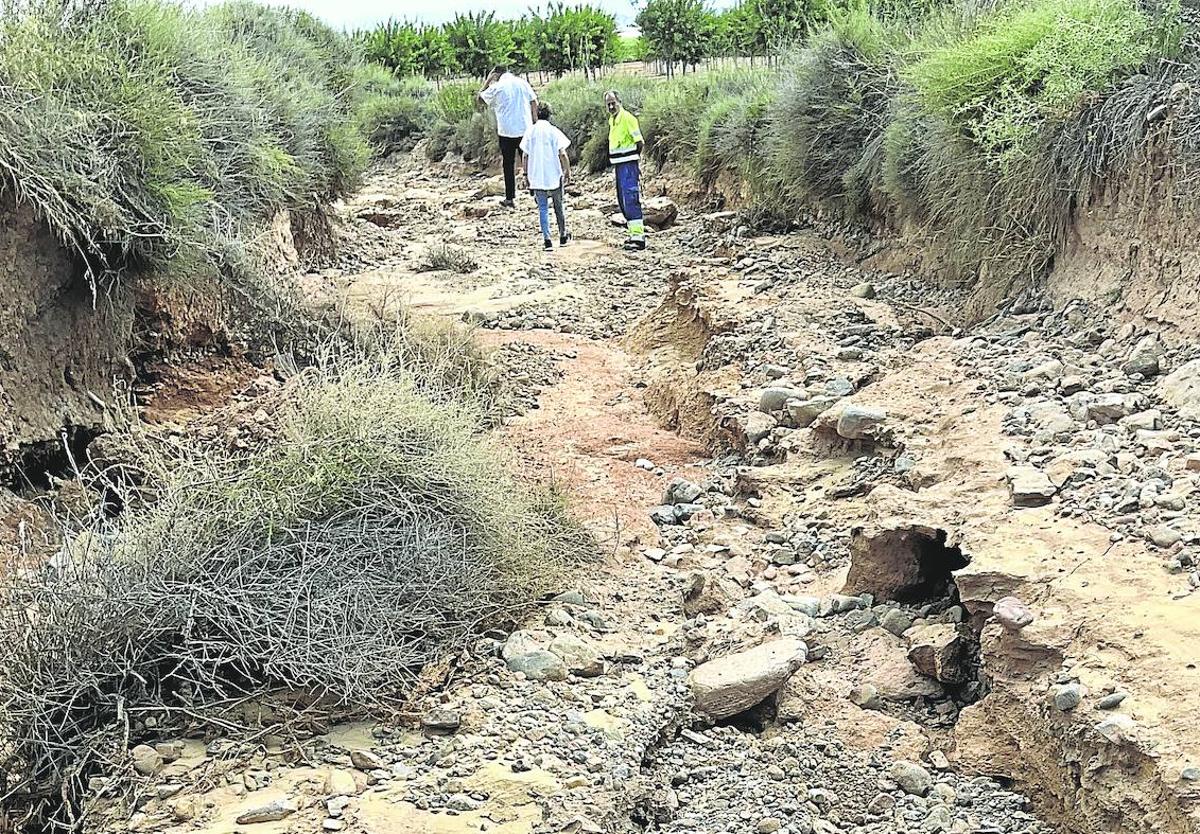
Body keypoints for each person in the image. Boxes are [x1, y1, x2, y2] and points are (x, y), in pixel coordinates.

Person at [477, 65, 538, 208]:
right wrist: (535, 121)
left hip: (507, 131)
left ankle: (510, 198)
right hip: (525, 128)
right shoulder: (522, 82)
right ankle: (535, 192)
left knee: (508, 164)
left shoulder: (498, 86)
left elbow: (480, 99)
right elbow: (534, 101)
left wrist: (487, 81)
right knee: (530, 161)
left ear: (496, 75)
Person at [520, 102, 572, 250]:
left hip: (536, 175)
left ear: (537, 114)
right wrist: (567, 171)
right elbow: (562, 153)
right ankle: (562, 236)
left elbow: (525, 155)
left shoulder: (530, 132)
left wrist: (525, 174)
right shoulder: (553, 131)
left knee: (542, 208)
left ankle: (547, 240)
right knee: (558, 206)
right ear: (549, 115)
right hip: (554, 174)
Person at [605, 90, 645, 251]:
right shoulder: (612, 120)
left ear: (619, 101)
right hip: (619, 165)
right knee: (622, 201)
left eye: (613, 102)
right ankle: (633, 234)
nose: (611, 106)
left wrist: (634, 158)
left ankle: (638, 237)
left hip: (628, 164)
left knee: (630, 198)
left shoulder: (628, 119)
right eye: (608, 104)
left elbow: (639, 142)